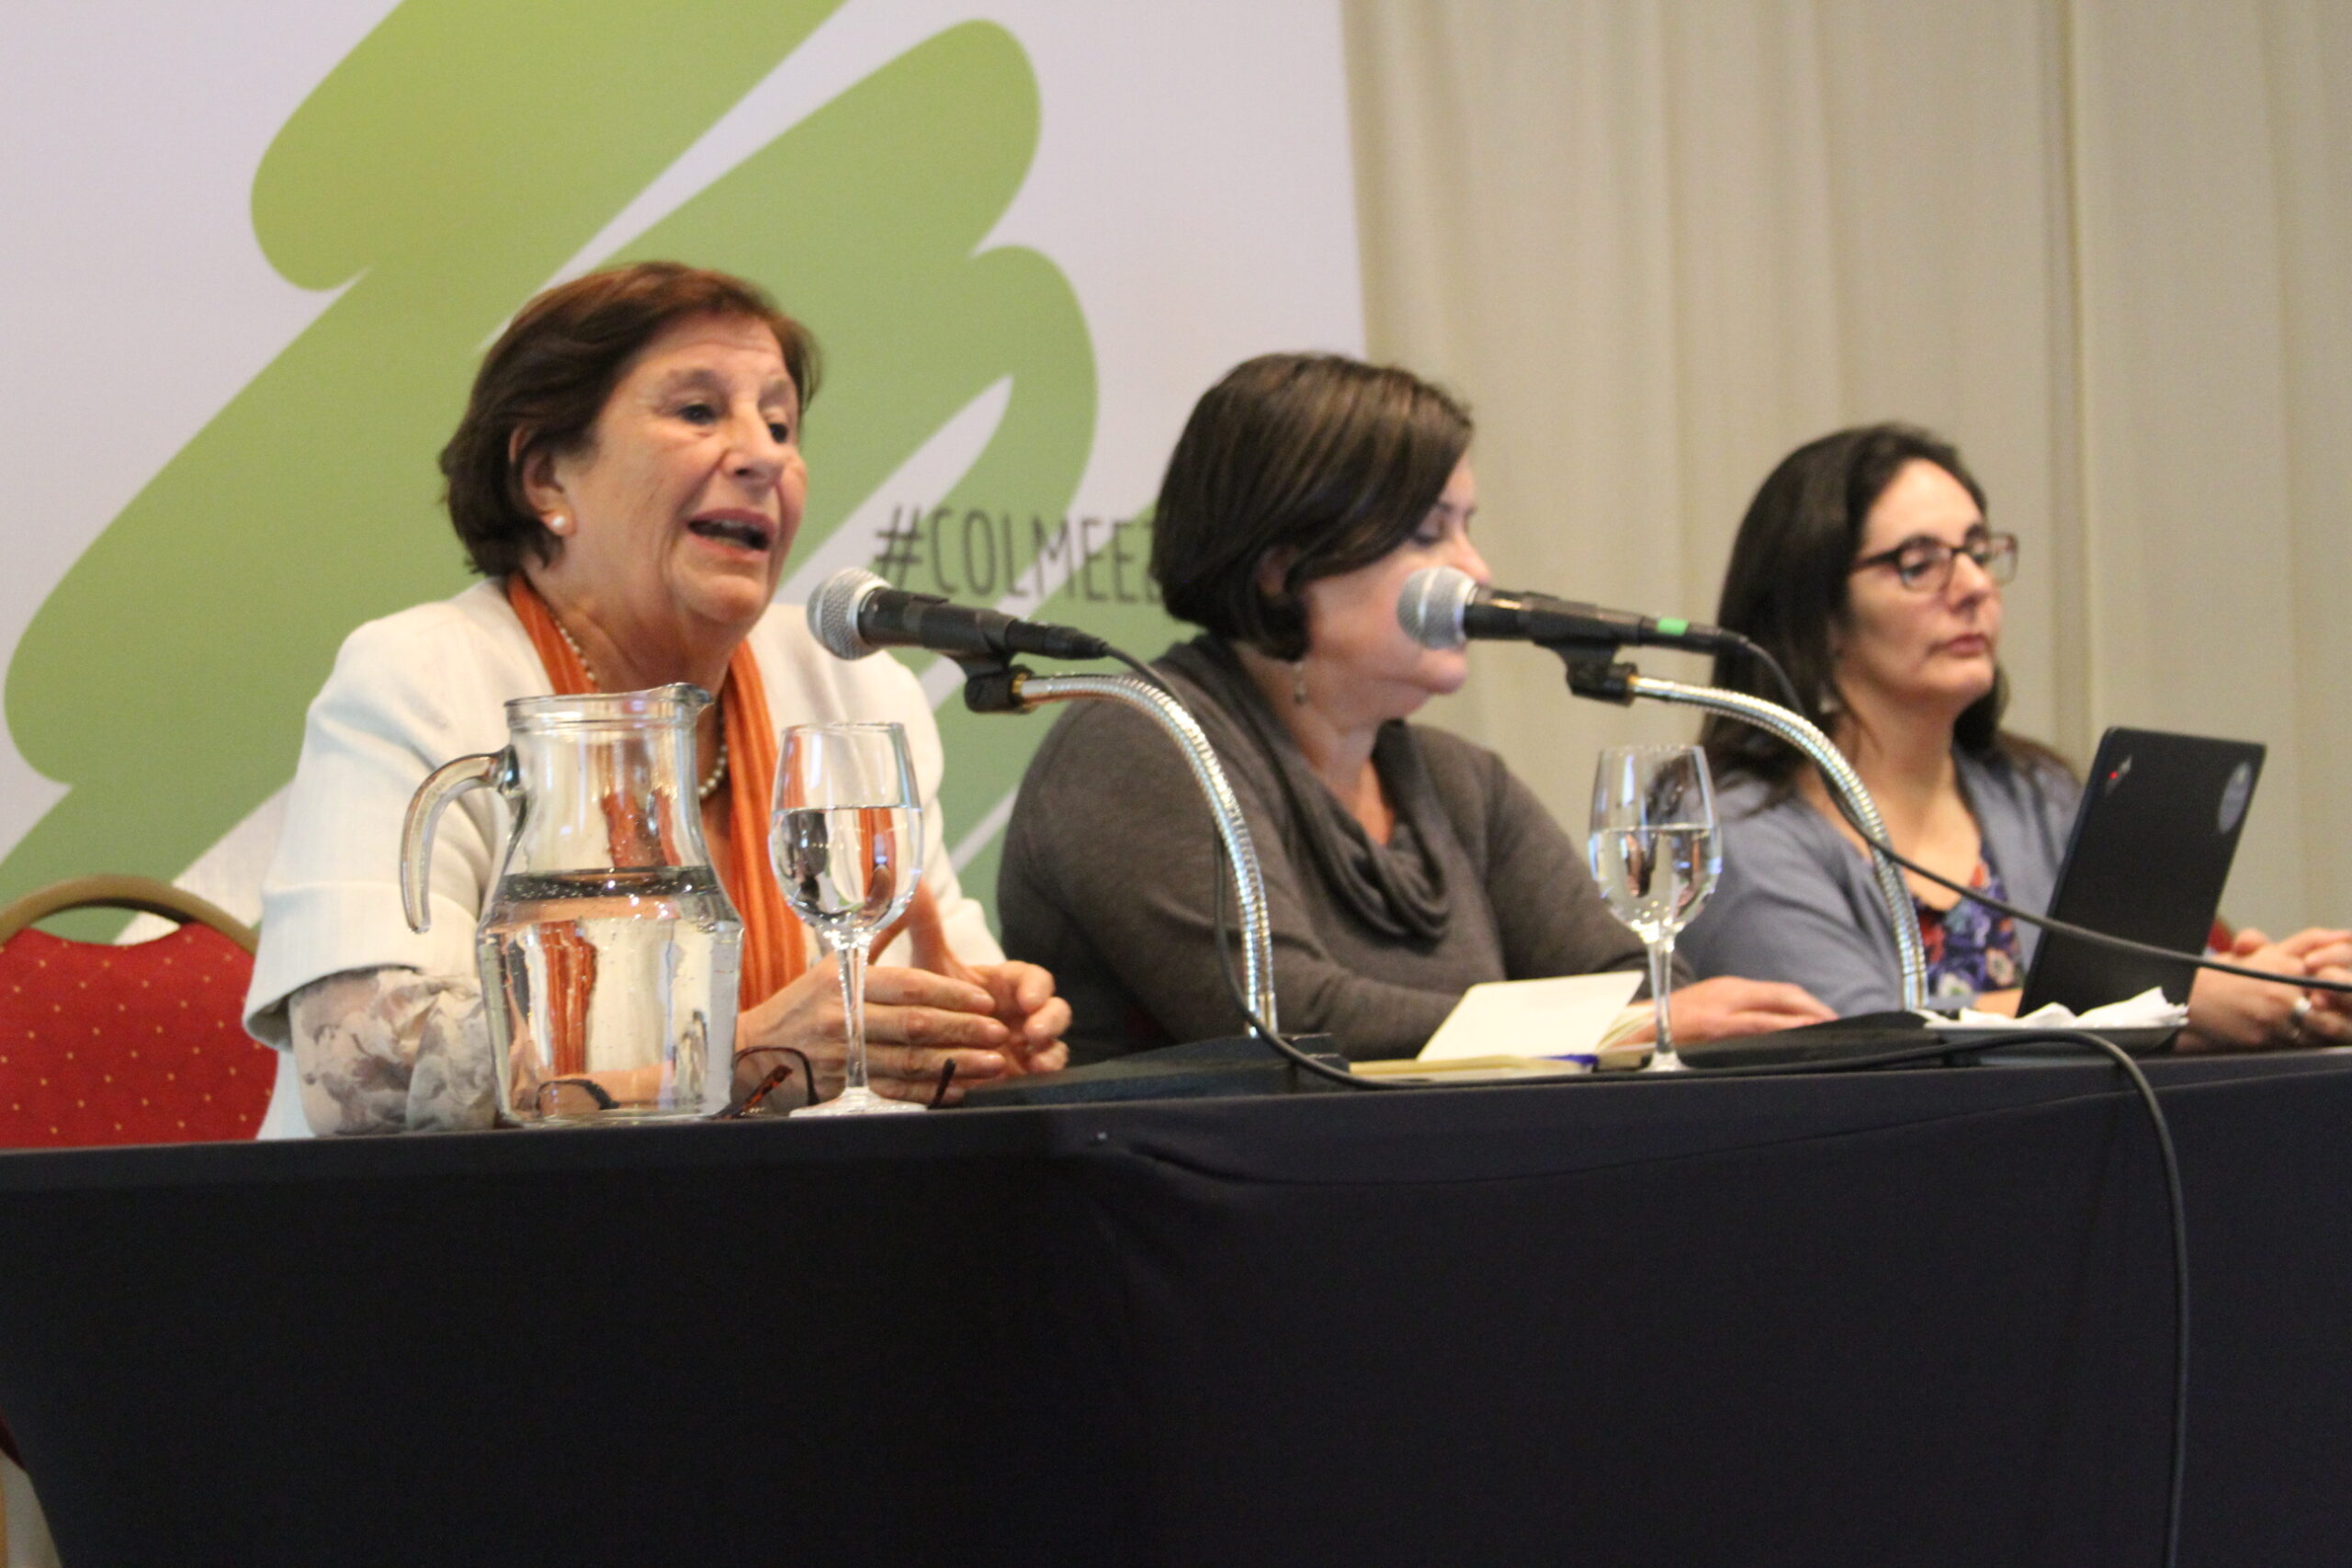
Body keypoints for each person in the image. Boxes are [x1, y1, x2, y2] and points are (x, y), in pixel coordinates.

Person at [244, 262, 1068, 1131]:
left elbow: (942, 978)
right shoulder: (420, 676)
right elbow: (362, 1075)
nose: (763, 456)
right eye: (699, 412)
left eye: (780, 424)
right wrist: (741, 1057)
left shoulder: (851, 685)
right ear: (546, 478)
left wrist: (977, 1030)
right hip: (480, 1214)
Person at [997, 352, 1832, 1063]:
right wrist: (1603, 1029)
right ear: (1282, 569)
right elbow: (1285, 1018)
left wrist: (1624, 1020)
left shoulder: (1460, 783)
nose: (1476, 569)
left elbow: (1642, 983)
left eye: (1467, 526)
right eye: (1429, 534)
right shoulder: (1144, 740)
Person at [1679, 423, 2351, 1048]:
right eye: (1919, 563)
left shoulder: (2037, 793)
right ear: (1819, 613)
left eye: (1978, 552)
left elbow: (2159, 994)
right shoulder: (1740, 830)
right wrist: (2183, 1000)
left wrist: (2283, 986)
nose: (1974, 585)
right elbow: (1851, 1038)